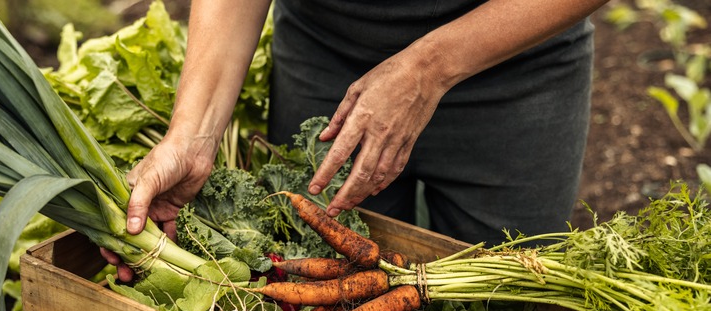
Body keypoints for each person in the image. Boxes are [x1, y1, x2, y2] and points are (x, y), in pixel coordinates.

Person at [102, 0, 609, 280]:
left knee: (511, 305)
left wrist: (426, 69)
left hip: (515, 64)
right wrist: (193, 134)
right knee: (317, 280)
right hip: (327, 58)